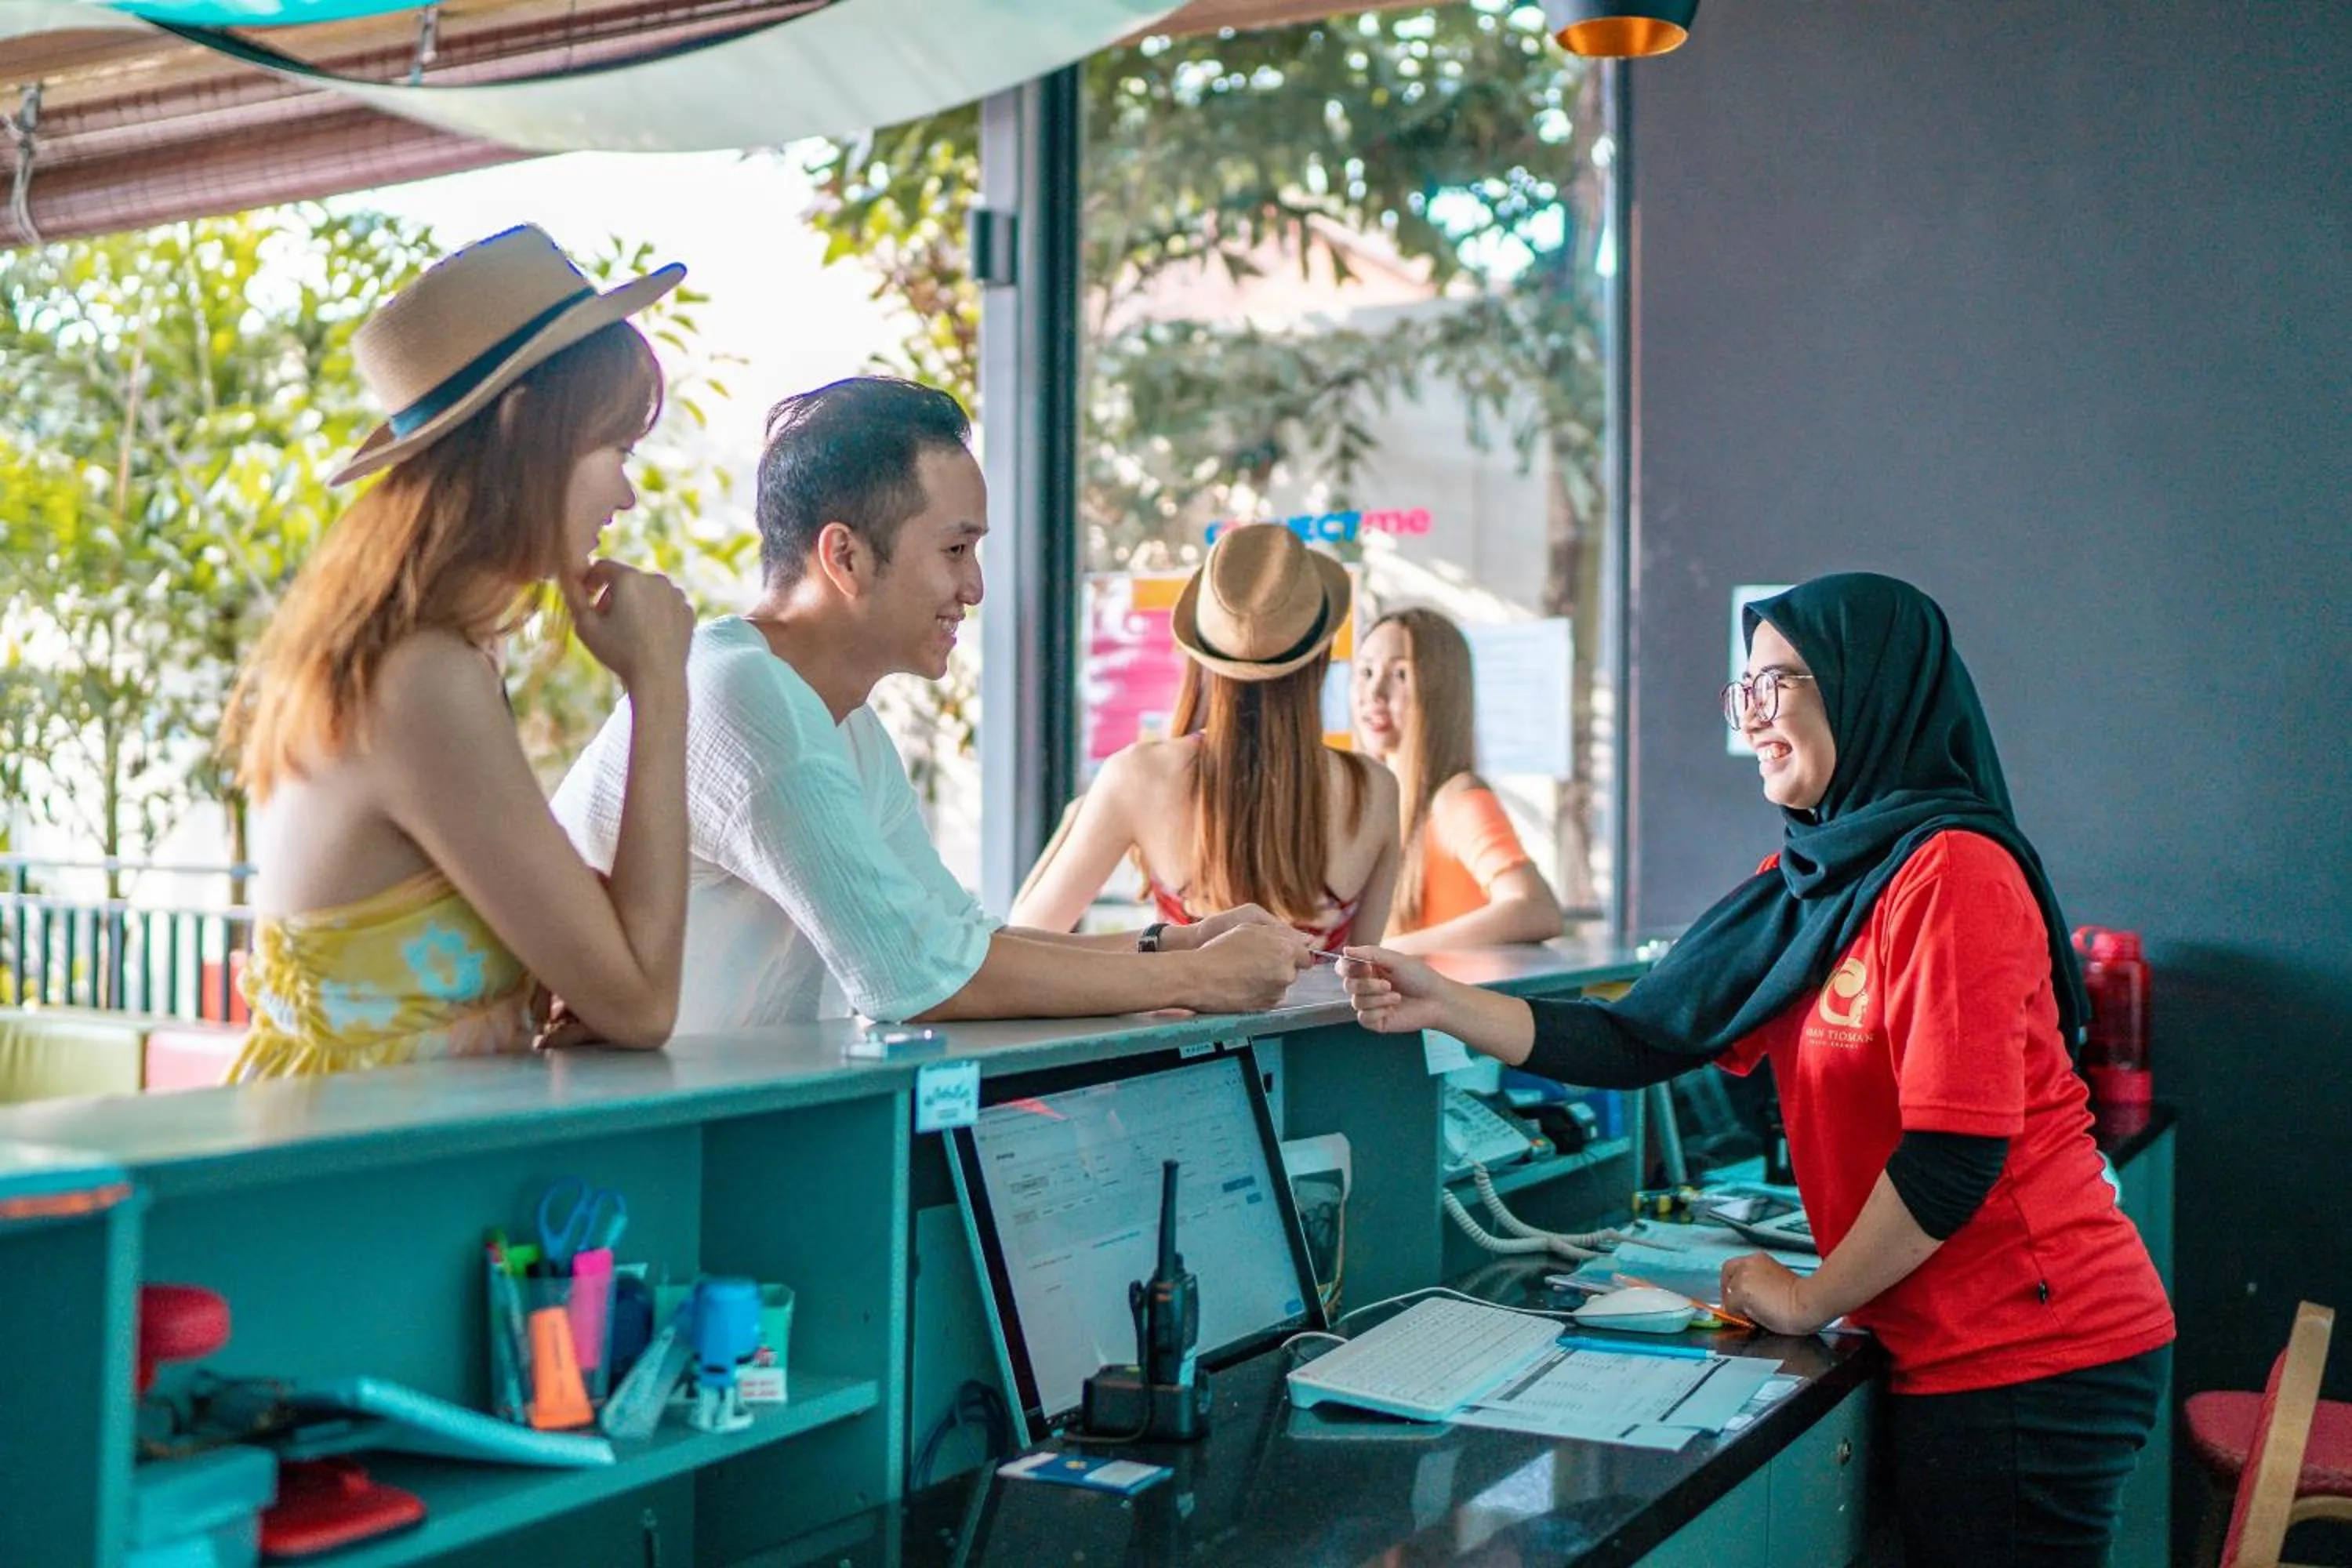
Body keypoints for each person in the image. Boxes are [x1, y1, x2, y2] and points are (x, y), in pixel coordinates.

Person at [1341, 573, 2173, 1566]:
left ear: (1867, 688)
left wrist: (1809, 1297)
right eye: (1746, 694)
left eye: (1778, 685)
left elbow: (1956, 1153)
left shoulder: (1953, 869)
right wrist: (1446, 1001)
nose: (1756, 720)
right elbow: (1645, 1037)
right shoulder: (1814, 880)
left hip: (2035, 1349)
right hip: (1954, 1340)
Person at [550, 377, 1310, 1033]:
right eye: (955, 550)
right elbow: (913, 978)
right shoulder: (745, 694)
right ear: (844, 556)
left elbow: (955, 938)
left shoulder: (839, 718)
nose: (974, 588)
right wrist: (1197, 978)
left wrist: (1176, 943)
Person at [221, 225, 696, 1079]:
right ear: (522, 431)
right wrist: (659, 687)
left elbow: (610, 972)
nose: (627, 491)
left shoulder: (433, 654)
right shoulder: (420, 677)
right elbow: (643, 1003)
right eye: (615, 448)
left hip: (370, 1166)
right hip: (340, 1182)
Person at [1011, 524, 1400, 950]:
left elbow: (1025, 941)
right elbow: (1362, 973)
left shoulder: (1140, 775)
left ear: (1199, 656)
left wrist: (1074, 818)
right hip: (1331, 1021)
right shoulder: (1375, 789)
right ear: (1320, 656)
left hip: (1187, 1019)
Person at [1350, 607, 1563, 953]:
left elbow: (1536, 909)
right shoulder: (1372, 807)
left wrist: (1387, 955)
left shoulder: (1456, 798)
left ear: (1441, 691)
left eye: (1401, 675)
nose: (1374, 692)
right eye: (1366, 672)